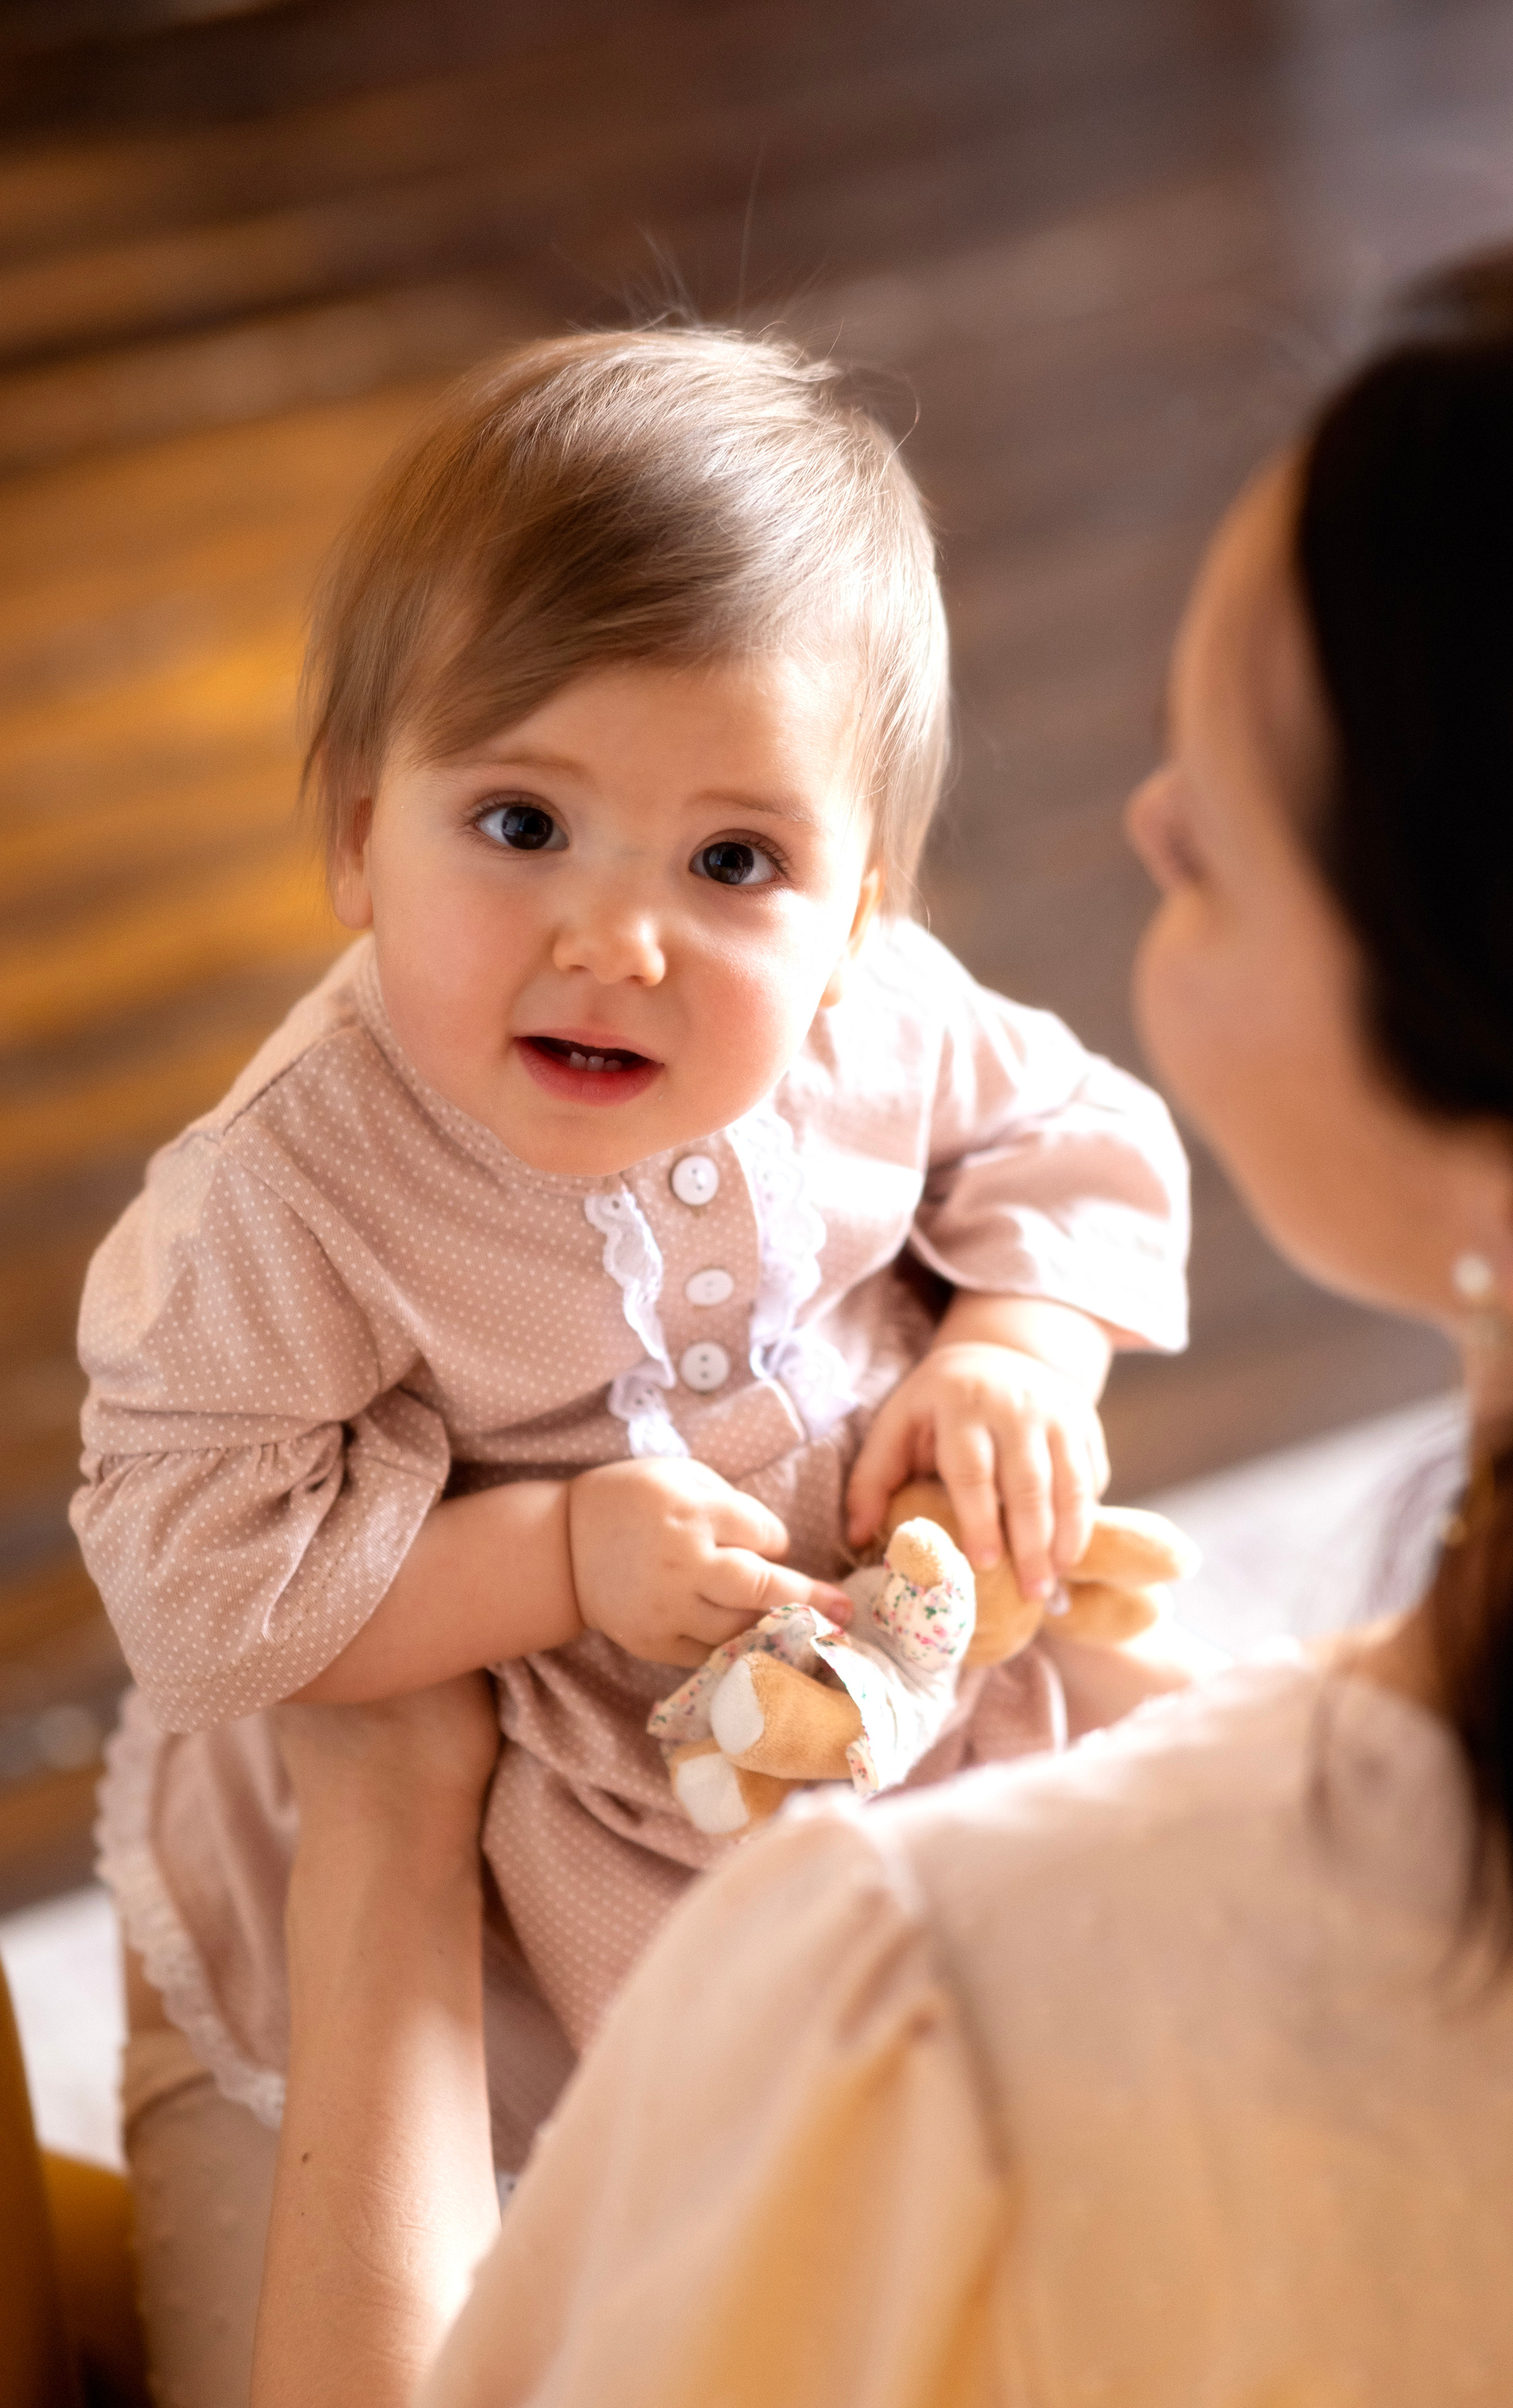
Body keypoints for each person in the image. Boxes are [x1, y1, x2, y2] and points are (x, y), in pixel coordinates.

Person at [249, 240, 1513, 2408]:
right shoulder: (300, 1201)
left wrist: (391, 1841)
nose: (1144, 814)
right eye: (521, 821)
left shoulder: (919, 1981)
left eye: (1232, 839)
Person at [71, 327, 1193, 2404]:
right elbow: (200, 1583)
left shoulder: (882, 1019)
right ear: (350, 830)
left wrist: (1025, 1346)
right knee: (552, 2277)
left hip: (860, 1686)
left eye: (733, 863)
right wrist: (556, 1557)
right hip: (474, 1801)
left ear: (863, 904)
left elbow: (1071, 1133)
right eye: (520, 823)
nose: (620, 939)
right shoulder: (293, 1196)